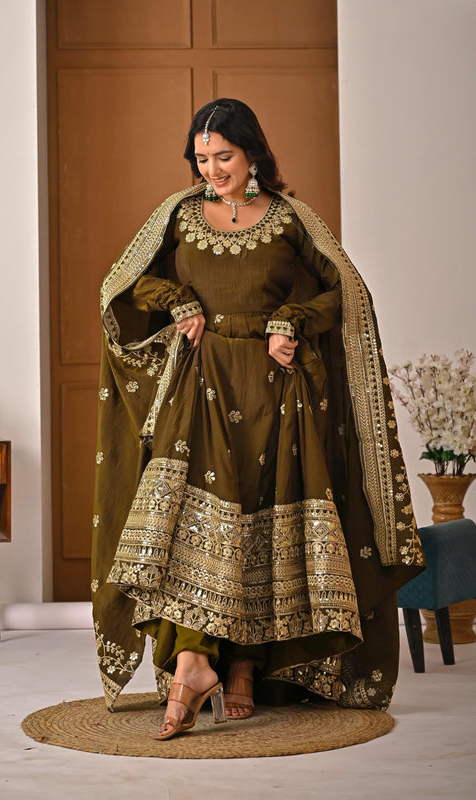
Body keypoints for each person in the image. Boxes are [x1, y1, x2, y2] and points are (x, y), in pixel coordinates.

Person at [91, 98, 424, 741]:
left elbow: (345, 293)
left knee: (261, 522)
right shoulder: (179, 215)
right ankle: (195, 664)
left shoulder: (291, 217)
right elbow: (123, 284)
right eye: (202, 158)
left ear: (253, 155)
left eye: (224, 157)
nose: (212, 170)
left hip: (279, 395)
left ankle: (244, 666)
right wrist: (176, 300)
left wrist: (294, 321)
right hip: (201, 388)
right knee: (194, 527)